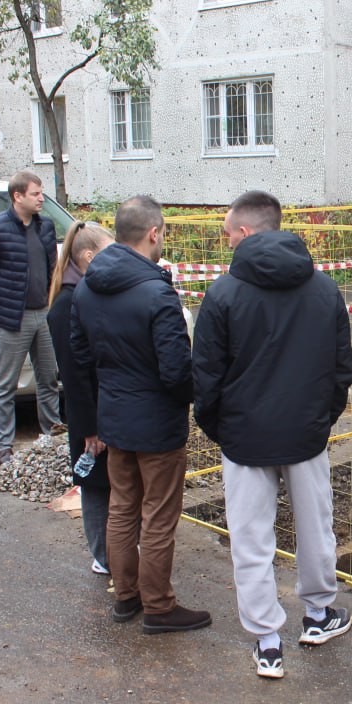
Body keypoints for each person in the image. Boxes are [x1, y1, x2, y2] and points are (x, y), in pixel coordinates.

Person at [192, 190, 352, 679]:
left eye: (226, 233)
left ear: (244, 232)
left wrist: (218, 426)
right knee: (315, 528)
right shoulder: (325, 290)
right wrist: (321, 419)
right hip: (305, 433)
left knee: (251, 539)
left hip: (244, 437)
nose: (224, 242)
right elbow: (341, 369)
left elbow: (206, 374)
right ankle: (318, 615)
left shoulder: (222, 293)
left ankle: (267, 642)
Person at [71, 195, 210, 634]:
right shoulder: (157, 294)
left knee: (122, 508)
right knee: (158, 516)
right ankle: (159, 606)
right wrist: (196, 395)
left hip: (115, 418)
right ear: (155, 233)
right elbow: (175, 371)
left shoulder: (87, 287)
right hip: (156, 425)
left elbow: (80, 357)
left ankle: (126, 596)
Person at [0, 170, 61, 466]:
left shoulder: (45, 227)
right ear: (17, 196)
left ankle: (52, 435)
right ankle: (3, 447)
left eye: (41, 192)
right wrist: (0, 301)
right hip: (12, 319)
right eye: (35, 193)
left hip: (43, 315)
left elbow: (52, 268)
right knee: (6, 384)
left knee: (48, 379)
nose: (41, 198)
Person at [47, 221, 116, 576]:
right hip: (89, 416)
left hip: (101, 409)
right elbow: (74, 374)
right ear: (88, 256)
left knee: (106, 483)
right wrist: (90, 428)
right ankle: (103, 556)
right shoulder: (66, 303)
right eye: (109, 251)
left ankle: (111, 551)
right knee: (95, 486)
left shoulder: (84, 293)